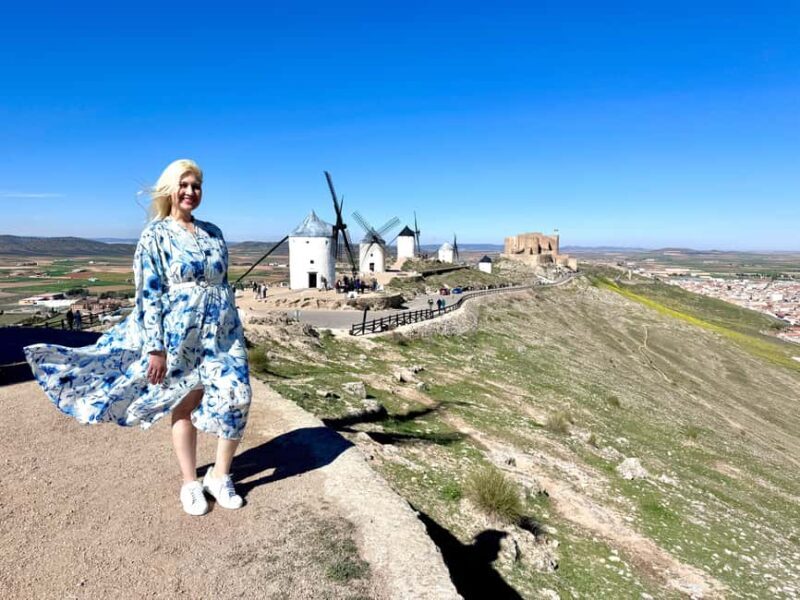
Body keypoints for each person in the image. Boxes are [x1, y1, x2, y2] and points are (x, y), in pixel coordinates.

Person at [24, 159, 251, 517]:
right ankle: (191, 482)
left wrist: (234, 326)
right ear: (170, 189)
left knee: (238, 397)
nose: (191, 192)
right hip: (180, 335)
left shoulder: (214, 232)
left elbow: (222, 285)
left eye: (196, 186)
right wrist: (155, 347)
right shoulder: (154, 236)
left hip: (223, 336)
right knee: (186, 403)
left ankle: (220, 476)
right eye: (185, 184)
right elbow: (150, 293)